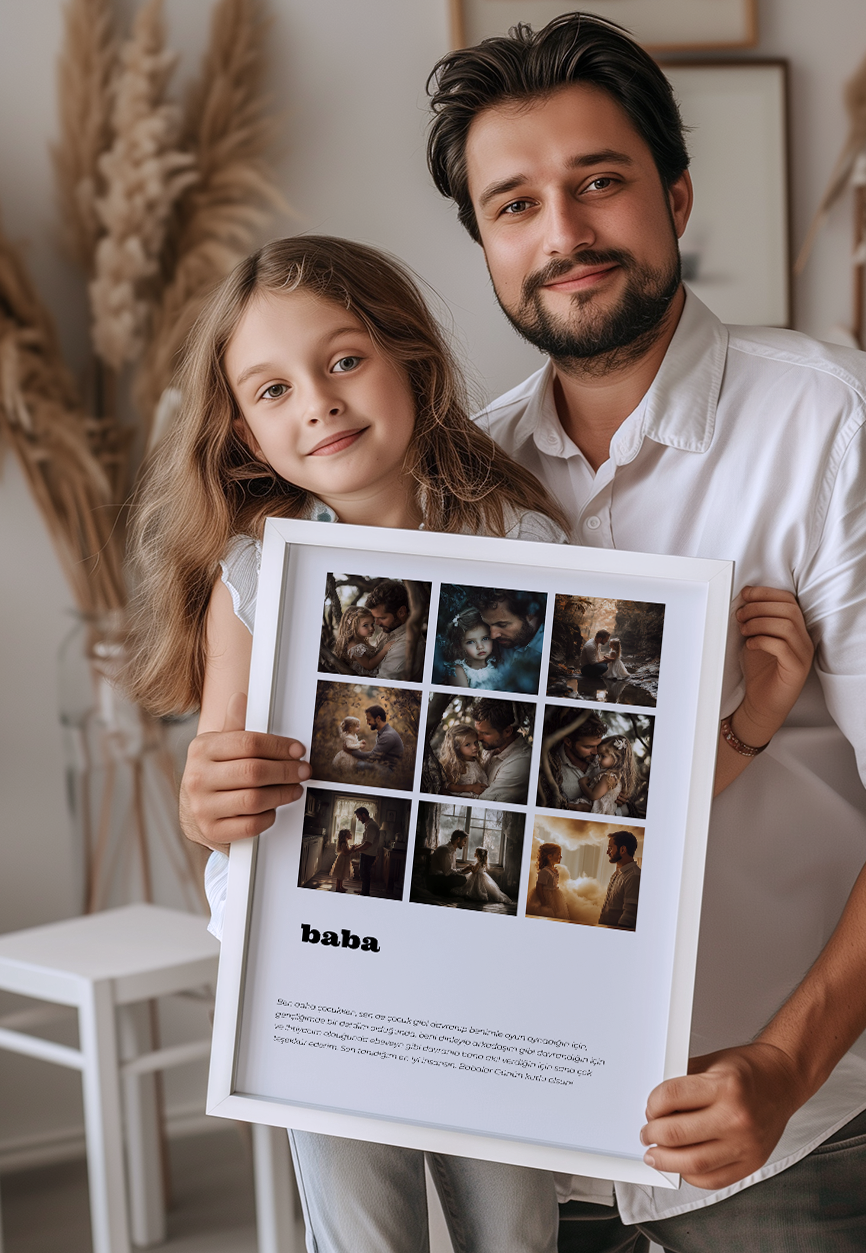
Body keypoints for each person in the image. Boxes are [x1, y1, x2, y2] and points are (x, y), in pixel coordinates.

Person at [426, 14, 866, 1249]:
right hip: (530, 1136)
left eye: (600, 182)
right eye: (516, 205)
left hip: (782, 1137)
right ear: (484, 246)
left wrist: (785, 1067)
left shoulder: (841, 427)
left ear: (677, 195)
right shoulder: (462, 483)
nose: (566, 235)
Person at [123, 235, 572, 1253]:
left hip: (483, 965)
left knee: (516, 1230)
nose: (316, 402)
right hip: (316, 977)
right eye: (272, 390)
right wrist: (208, 802)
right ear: (242, 434)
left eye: (342, 361)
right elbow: (214, 791)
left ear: (410, 358)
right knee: (363, 1236)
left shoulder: (521, 546)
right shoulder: (252, 577)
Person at [474, 588, 545, 692]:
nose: (493, 636)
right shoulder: (499, 645)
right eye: (487, 625)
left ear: (530, 614)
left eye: (502, 625)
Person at [471, 697, 533, 804]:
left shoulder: (522, 763)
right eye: (478, 731)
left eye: (485, 733)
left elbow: (483, 804)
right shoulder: (490, 747)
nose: (478, 738)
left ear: (507, 731)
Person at [543, 709, 607, 810]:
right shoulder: (551, 768)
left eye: (598, 745)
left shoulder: (607, 760)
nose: (596, 752)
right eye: (588, 747)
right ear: (568, 742)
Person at [365, 579, 425, 682]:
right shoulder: (387, 632)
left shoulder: (405, 645)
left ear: (401, 612)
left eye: (382, 618)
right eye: (375, 618)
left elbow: (380, 687)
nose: (377, 623)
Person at [578, 735, 637, 816]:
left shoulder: (608, 777)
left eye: (603, 756)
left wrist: (582, 784)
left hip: (597, 809)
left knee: (576, 807)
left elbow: (593, 795)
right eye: (599, 755)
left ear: (617, 758)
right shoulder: (617, 776)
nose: (598, 759)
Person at [445, 607, 501, 689]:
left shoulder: (497, 663)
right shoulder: (458, 670)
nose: (480, 646)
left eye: (485, 638)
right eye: (470, 642)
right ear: (460, 646)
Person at [598, 832, 641, 929]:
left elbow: (629, 915)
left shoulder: (634, 876)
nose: (608, 852)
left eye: (610, 848)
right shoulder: (617, 874)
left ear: (623, 850)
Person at [332, 605, 391, 674]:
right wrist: (384, 650)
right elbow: (369, 665)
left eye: (372, 624)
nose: (371, 628)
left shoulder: (358, 642)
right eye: (365, 625)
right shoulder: (355, 647)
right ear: (353, 627)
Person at [346, 704, 404, 773]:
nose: (367, 723)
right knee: (358, 762)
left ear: (378, 719)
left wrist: (351, 752)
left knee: (359, 765)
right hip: (383, 766)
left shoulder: (388, 735)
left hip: (391, 771)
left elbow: (372, 756)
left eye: (369, 720)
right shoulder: (383, 732)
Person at [437, 721, 489, 796]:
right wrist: (471, 787)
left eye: (475, 742)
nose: (474, 747)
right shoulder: (456, 764)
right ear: (456, 748)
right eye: (467, 744)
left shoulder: (474, 759)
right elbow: (448, 786)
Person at [528, 842, 570, 920]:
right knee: (547, 913)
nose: (560, 856)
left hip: (555, 895)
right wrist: (543, 901)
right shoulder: (545, 871)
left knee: (557, 914)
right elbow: (539, 886)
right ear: (550, 856)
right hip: (546, 896)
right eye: (558, 854)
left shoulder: (554, 870)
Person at [350, 805, 382, 897]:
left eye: (359, 817)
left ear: (364, 815)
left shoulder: (371, 826)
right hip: (366, 854)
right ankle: (363, 890)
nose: (359, 819)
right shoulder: (369, 824)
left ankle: (365, 893)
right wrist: (357, 846)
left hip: (368, 855)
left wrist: (356, 849)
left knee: (365, 875)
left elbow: (368, 844)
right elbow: (365, 842)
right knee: (363, 874)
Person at [427, 829, 470, 896]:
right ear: (458, 839)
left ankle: (447, 892)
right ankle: (442, 892)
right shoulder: (445, 850)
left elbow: (452, 870)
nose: (465, 844)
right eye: (464, 841)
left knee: (465, 877)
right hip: (436, 879)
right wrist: (463, 870)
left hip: (443, 876)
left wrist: (465, 870)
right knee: (463, 879)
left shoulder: (453, 851)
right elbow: (447, 872)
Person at [329, 828, 354, 893]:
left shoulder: (345, 842)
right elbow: (345, 852)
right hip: (342, 860)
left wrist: (351, 849)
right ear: (345, 835)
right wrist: (351, 850)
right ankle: (338, 887)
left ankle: (340, 886)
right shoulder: (343, 843)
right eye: (349, 834)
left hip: (345, 860)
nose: (351, 835)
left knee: (342, 874)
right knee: (340, 874)